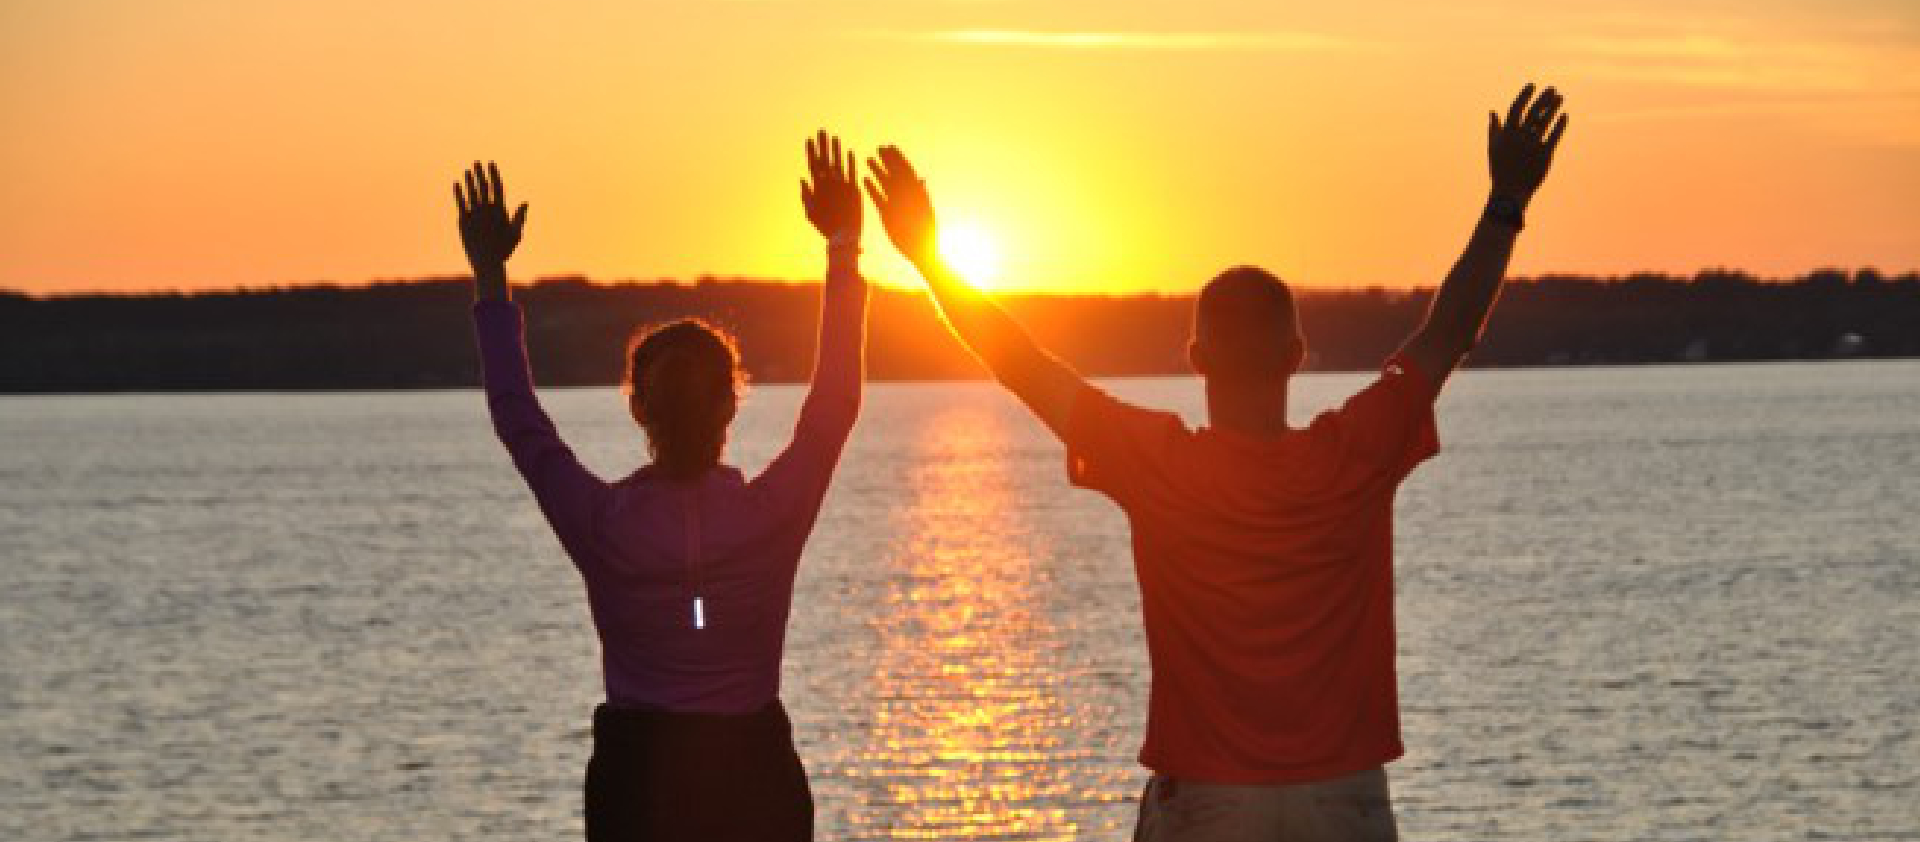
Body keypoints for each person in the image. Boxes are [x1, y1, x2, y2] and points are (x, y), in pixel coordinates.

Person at [863, 84, 1569, 840]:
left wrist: (929, 259)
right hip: (1344, 797)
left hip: (1209, 801)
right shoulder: (1355, 451)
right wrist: (1505, 203)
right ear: (1297, 356)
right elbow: (1448, 332)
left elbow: (1022, 364)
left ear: (1196, 358)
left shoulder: (1156, 461)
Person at [454, 131, 869, 841]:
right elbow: (835, 401)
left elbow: (516, 417)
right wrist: (841, 246)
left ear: (638, 406)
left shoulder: (604, 523)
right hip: (752, 771)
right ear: (731, 403)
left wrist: (490, 276)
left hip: (638, 777)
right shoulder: (770, 515)